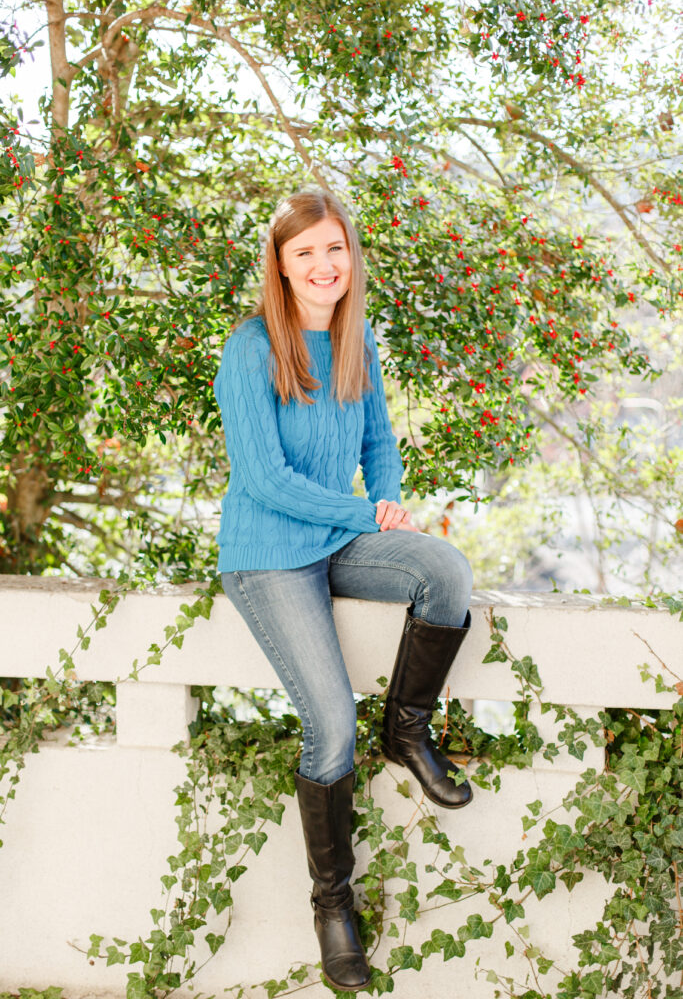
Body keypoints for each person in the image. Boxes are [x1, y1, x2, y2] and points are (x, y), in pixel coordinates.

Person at [213, 188, 473, 992]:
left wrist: (387, 507)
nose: (323, 265)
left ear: (349, 256)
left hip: (339, 539)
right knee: (327, 724)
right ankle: (333, 904)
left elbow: (379, 441)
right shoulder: (251, 348)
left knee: (444, 570)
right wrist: (363, 509)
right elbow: (265, 479)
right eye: (304, 253)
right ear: (281, 266)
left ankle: (407, 730)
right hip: (270, 554)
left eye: (335, 249)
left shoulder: (358, 342)